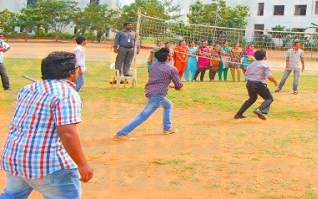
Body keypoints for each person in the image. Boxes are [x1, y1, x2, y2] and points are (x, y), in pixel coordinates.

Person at [0, 52, 93, 198]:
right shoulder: (67, 94)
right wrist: (82, 164)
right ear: (71, 73)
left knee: (12, 195)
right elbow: (67, 133)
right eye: (77, 68)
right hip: (46, 164)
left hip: (15, 156)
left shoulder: (28, 89)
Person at [113, 48, 183, 141]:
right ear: (167, 57)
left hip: (151, 92)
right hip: (157, 95)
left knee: (168, 105)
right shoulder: (171, 69)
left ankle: (167, 128)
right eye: (169, 55)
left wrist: (169, 85)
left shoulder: (153, 66)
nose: (171, 56)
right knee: (144, 115)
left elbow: (158, 80)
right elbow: (178, 84)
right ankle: (121, 133)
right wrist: (178, 87)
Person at [234, 49, 278, 120]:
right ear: (264, 57)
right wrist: (275, 82)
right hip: (258, 84)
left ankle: (238, 114)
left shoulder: (252, 64)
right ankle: (259, 110)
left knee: (252, 98)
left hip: (249, 83)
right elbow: (269, 76)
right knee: (269, 98)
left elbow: (246, 73)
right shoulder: (264, 64)